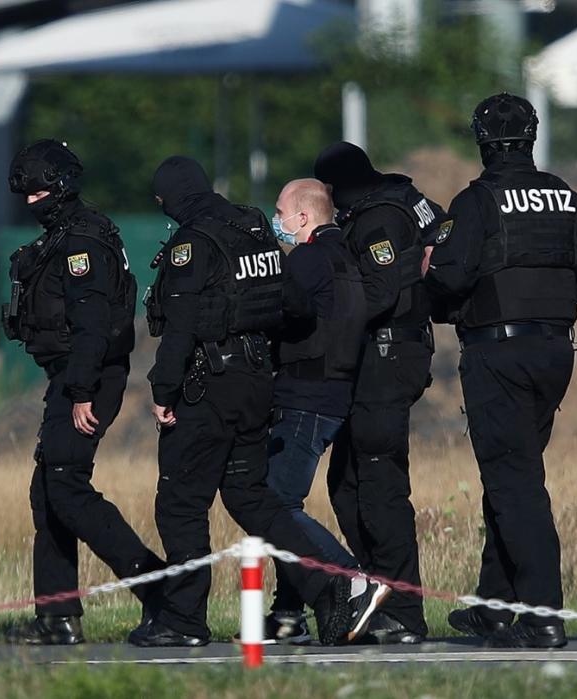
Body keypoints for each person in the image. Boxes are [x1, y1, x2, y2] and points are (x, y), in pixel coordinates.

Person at [139, 156, 388, 648]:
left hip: (208, 383)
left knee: (181, 502)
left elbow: (182, 328)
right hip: (257, 382)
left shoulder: (194, 243)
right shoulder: (252, 228)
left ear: (169, 199)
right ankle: (335, 584)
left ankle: (183, 621)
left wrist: (163, 390)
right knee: (252, 497)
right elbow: (292, 302)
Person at [425, 93, 577, 649]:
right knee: (510, 478)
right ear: (532, 137)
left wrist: (454, 307)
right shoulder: (564, 197)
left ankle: (542, 614)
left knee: (516, 484)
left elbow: (449, 278)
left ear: (482, 142)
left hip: (498, 352)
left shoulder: (477, 201)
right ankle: (493, 607)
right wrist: (550, 299)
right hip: (554, 351)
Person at [1, 140, 165, 645]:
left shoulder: (81, 244)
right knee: (49, 489)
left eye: (39, 191)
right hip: (74, 376)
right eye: (26, 193)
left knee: (67, 486)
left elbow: (93, 327)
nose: (31, 201)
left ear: (63, 186)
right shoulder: (65, 234)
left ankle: (162, 591)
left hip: (88, 377)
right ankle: (58, 617)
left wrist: (80, 391)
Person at [313, 142, 444, 644]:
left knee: (378, 482)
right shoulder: (400, 200)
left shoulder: (377, 219)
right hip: (379, 359)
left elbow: (382, 290)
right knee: (347, 482)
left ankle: (404, 611)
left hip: (388, 358)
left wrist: (327, 313)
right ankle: (377, 595)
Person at [261, 179, 369, 643]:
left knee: (274, 505)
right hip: (335, 394)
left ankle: (350, 577)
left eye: (281, 211)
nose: (277, 219)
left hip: (304, 396)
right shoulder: (348, 257)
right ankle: (289, 611)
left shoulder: (307, 259)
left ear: (303, 217)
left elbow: (278, 312)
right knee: (286, 502)